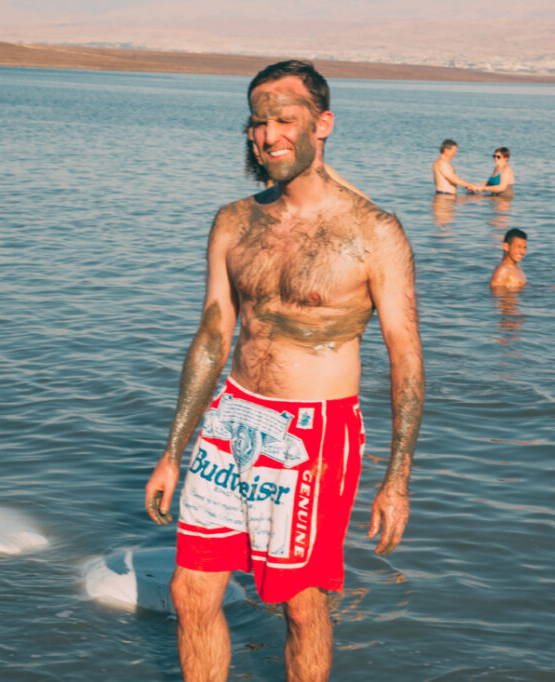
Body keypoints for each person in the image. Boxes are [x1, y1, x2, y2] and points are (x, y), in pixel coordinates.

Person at [145, 60, 425, 682]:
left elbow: (406, 358)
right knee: (192, 593)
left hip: (314, 435)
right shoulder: (233, 222)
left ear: (322, 125)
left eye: (283, 121)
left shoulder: (374, 233)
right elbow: (213, 335)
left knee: (300, 607)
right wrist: (173, 449)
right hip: (231, 417)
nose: (267, 136)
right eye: (257, 123)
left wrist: (397, 479)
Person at [245, 118, 370, 199]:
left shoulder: (312, 169)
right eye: (252, 144)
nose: (256, 150)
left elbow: (364, 201)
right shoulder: (272, 176)